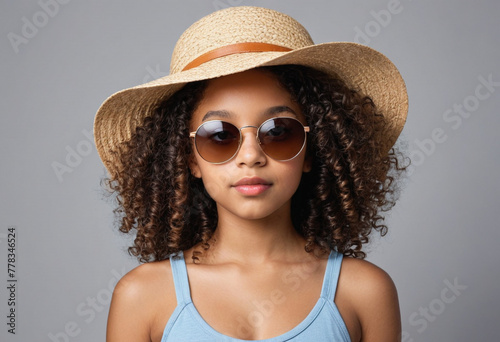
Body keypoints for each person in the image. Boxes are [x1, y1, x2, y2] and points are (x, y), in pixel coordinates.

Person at [94, 6, 408, 342]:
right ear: (189, 159)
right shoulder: (142, 296)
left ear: (312, 149)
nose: (250, 157)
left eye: (278, 132)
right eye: (219, 136)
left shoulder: (364, 292)